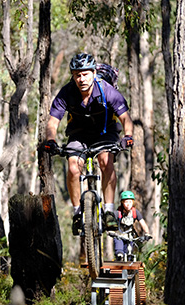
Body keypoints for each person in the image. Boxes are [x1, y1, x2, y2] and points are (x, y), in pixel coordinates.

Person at [42, 53, 134, 236]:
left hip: (105, 132)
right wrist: (51, 140)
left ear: (93, 73)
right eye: (77, 74)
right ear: (73, 76)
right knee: (73, 168)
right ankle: (77, 213)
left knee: (105, 161)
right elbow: (52, 122)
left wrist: (128, 136)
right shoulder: (67, 93)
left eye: (85, 74)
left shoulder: (107, 91)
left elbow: (125, 118)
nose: (81, 79)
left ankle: (108, 211)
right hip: (78, 134)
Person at [114, 190, 151, 261]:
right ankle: (119, 259)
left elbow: (143, 223)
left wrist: (147, 233)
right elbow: (110, 222)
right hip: (119, 235)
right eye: (126, 202)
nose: (128, 204)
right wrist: (110, 230)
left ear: (133, 202)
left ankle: (129, 270)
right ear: (122, 202)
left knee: (129, 253)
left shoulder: (135, 212)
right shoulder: (118, 212)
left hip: (129, 236)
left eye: (130, 202)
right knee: (119, 252)